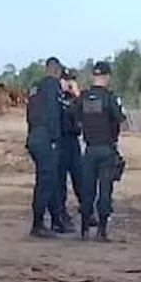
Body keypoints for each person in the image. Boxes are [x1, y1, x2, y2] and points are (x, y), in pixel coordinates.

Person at [76, 61, 126, 242]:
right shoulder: (110, 98)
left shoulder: (83, 97)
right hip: (106, 149)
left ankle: (83, 230)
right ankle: (102, 232)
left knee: (87, 190)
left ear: (93, 76)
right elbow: (120, 120)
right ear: (107, 77)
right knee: (105, 191)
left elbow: (77, 119)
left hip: (89, 150)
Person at [24, 56, 63, 238]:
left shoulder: (34, 87)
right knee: (46, 182)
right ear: (56, 72)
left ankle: (55, 220)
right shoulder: (52, 86)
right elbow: (54, 114)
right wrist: (55, 138)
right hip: (45, 137)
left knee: (47, 179)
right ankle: (38, 225)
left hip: (33, 136)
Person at [50, 68, 83, 233]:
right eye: (67, 80)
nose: (70, 83)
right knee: (60, 182)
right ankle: (60, 215)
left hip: (73, 141)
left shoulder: (74, 98)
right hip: (60, 141)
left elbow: (83, 112)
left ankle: (86, 210)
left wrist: (77, 95)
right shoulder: (56, 97)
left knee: (80, 177)